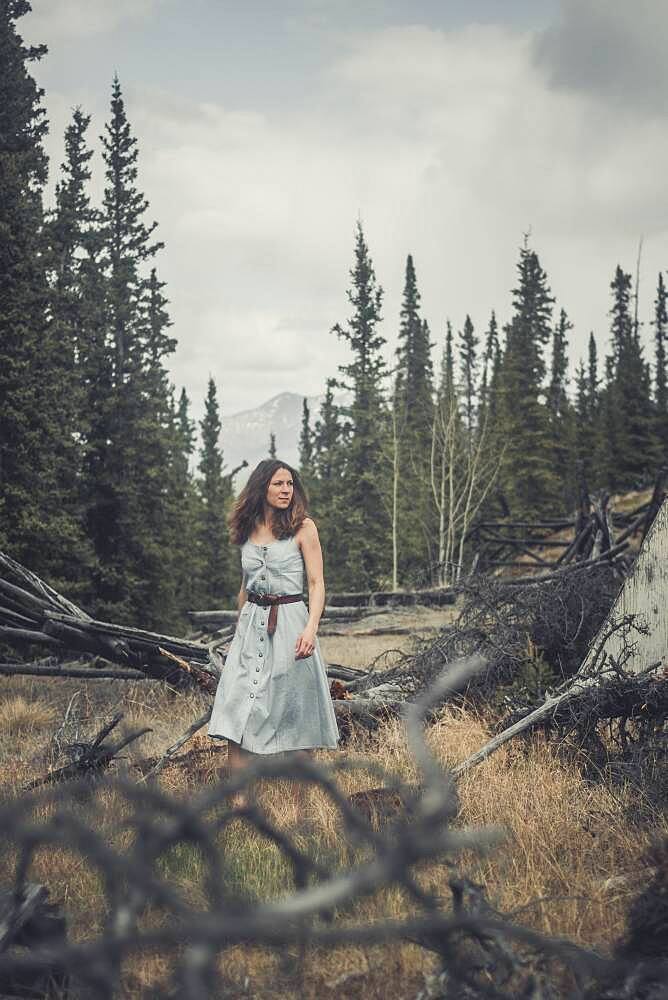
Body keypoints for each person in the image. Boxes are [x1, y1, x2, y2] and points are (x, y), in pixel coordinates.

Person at [207, 458, 339, 793]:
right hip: (252, 626)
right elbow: (244, 587)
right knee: (238, 707)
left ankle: (300, 806)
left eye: (290, 484)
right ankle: (239, 804)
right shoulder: (248, 529)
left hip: (292, 624)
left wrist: (311, 628)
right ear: (261, 487)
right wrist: (240, 631)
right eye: (278, 484)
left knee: (296, 711)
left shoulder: (303, 527)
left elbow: (316, 583)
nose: (286, 490)